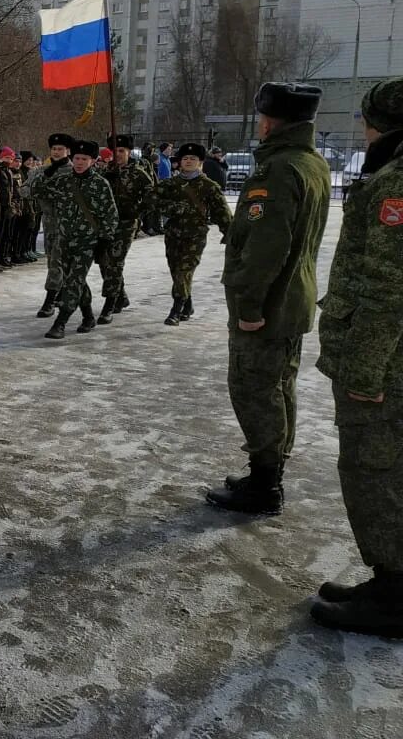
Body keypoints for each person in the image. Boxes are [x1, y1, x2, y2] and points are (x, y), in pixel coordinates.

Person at [206, 83, 330, 515]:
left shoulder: (277, 169)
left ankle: (265, 485)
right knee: (279, 388)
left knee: (255, 390)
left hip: (270, 307)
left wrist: (249, 308)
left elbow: (265, 247)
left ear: (269, 120)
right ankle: (268, 471)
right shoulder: (311, 163)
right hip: (293, 301)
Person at [310, 78, 403, 637]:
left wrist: (365, 369)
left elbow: (389, 285)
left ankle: (395, 596)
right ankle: (392, 579)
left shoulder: (395, 185)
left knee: (376, 470)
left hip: (387, 363)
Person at [40, 139, 119, 340]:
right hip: (65, 240)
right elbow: (36, 191)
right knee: (73, 280)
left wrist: (105, 239)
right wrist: (47, 172)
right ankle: (88, 317)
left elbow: (110, 215)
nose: (80, 162)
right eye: (76, 158)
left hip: (88, 241)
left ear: (93, 161)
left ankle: (61, 322)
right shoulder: (63, 180)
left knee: (74, 280)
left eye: (85, 159)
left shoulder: (100, 184)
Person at [156, 142, 232, 326]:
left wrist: (231, 235)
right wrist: (171, 207)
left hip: (195, 235)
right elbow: (152, 199)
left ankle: (177, 308)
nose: (188, 161)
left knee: (184, 271)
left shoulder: (209, 186)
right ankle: (188, 304)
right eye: (185, 158)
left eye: (193, 159)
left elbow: (222, 212)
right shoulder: (171, 184)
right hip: (173, 234)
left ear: (200, 162)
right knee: (176, 270)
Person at [97, 134, 154, 323]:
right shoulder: (106, 172)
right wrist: (107, 178)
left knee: (115, 261)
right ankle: (121, 296)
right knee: (104, 261)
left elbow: (152, 196)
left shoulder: (138, 173)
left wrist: (136, 210)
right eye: (114, 151)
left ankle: (110, 302)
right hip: (106, 224)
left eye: (121, 151)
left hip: (127, 223)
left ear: (129, 152)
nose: (118, 154)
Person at [25, 133, 73, 316]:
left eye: (60, 149)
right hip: (49, 224)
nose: (57, 152)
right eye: (54, 149)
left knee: (58, 262)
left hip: (69, 224)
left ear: (67, 151)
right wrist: (39, 186)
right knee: (52, 261)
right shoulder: (42, 171)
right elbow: (24, 191)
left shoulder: (74, 170)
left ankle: (51, 299)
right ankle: (60, 292)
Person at [0, 146, 17, 268]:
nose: (8, 160)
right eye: (6, 157)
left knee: (6, 233)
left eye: (10, 158)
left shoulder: (8, 171)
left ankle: (2, 255)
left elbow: (10, 190)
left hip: (7, 205)